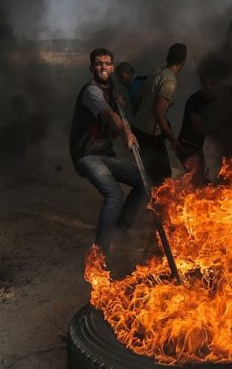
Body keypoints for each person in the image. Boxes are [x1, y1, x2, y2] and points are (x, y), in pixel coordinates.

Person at [68, 47, 147, 256]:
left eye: (106, 63)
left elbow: (110, 130)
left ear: (112, 68)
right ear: (91, 67)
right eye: (98, 63)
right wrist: (127, 133)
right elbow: (110, 116)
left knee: (143, 181)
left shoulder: (111, 92)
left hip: (105, 154)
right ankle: (100, 252)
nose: (103, 66)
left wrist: (119, 107)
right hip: (86, 155)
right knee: (114, 193)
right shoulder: (91, 91)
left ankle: (121, 231)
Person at [132, 43, 186, 184]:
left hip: (139, 127)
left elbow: (143, 100)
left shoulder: (157, 73)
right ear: (182, 63)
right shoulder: (169, 81)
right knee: (163, 177)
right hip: (149, 133)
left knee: (153, 172)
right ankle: (157, 204)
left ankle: (152, 201)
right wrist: (172, 139)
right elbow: (158, 111)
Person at [177, 74, 215, 185]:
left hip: (197, 146)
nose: (208, 87)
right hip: (187, 145)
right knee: (198, 179)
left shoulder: (213, 101)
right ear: (201, 84)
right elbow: (197, 127)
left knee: (201, 179)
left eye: (211, 85)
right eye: (206, 84)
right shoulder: (195, 101)